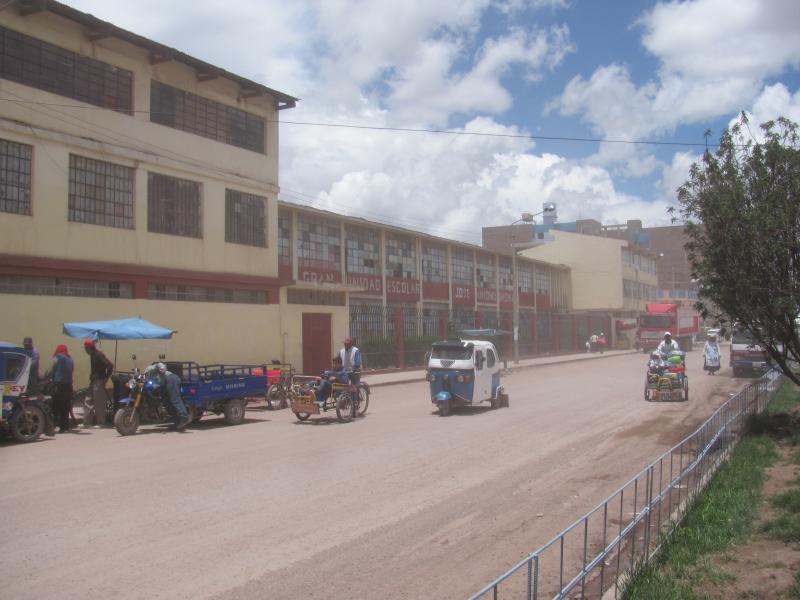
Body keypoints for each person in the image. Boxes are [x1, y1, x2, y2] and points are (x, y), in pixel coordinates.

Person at [83, 339, 114, 428]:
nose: (85, 350)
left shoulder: (99, 355)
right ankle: (87, 423)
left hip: (99, 380)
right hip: (93, 380)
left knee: (99, 402)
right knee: (88, 400)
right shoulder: (92, 355)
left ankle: (101, 422)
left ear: (90, 347)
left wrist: (106, 378)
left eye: (86, 348)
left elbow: (110, 365)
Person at [44, 344, 74, 432]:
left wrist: (46, 377)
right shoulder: (71, 359)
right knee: (65, 407)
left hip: (58, 385)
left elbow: (51, 370)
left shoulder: (58, 357)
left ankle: (52, 426)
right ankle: (64, 427)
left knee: (55, 406)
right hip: (68, 386)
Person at [156, 362, 190, 430]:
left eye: (159, 370)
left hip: (172, 380)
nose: (159, 371)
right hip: (171, 380)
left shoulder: (163, 372)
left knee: (175, 399)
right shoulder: (160, 374)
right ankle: (177, 422)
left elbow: (163, 372)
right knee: (169, 403)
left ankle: (184, 417)